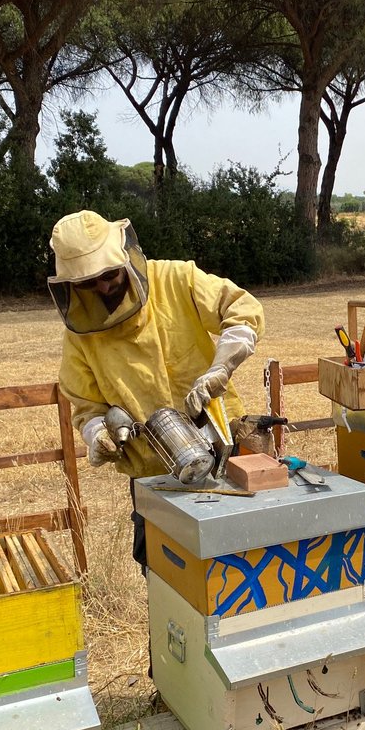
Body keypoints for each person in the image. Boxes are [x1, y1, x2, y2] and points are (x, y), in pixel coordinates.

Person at [47, 210, 265, 572]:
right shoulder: (80, 335)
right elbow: (85, 407)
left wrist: (222, 365)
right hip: (153, 476)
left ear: (124, 256)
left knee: (240, 565)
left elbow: (242, 310)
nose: (103, 287)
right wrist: (98, 434)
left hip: (225, 449)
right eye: (88, 283)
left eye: (108, 274)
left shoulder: (175, 279)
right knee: (170, 582)